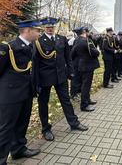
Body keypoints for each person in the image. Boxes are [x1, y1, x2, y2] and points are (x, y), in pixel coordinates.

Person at [33, 17, 88, 142]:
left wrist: (71, 72)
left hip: (60, 76)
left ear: (54, 27)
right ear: (44, 28)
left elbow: (68, 58)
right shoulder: (38, 41)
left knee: (66, 100)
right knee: (43, 104)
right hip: (45, 78)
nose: (50, 29)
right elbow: (35, 63)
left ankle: (74, 123)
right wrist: (35, 82)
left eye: (52, 27)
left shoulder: (61, 39)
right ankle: (46, 129)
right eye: (47, 27)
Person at [0, 19, 42, 164]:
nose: (39, 33)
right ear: (28, 30)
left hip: (26, 92)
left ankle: (18, 150)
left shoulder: (31, 46)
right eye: (37, 30)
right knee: (6, 128)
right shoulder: (9, 48)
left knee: (22, 123)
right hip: (10, 95)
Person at [71, 27, 100, 112]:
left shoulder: (76, 40)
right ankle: (84, 105)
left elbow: (72, 53)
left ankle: (88, 100)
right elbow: (94, 52)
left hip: (80, 65)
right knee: (86, 85)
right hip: (88, 65)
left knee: (84, 84)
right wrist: (98, 52)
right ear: (83, 32)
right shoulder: (86, 40)